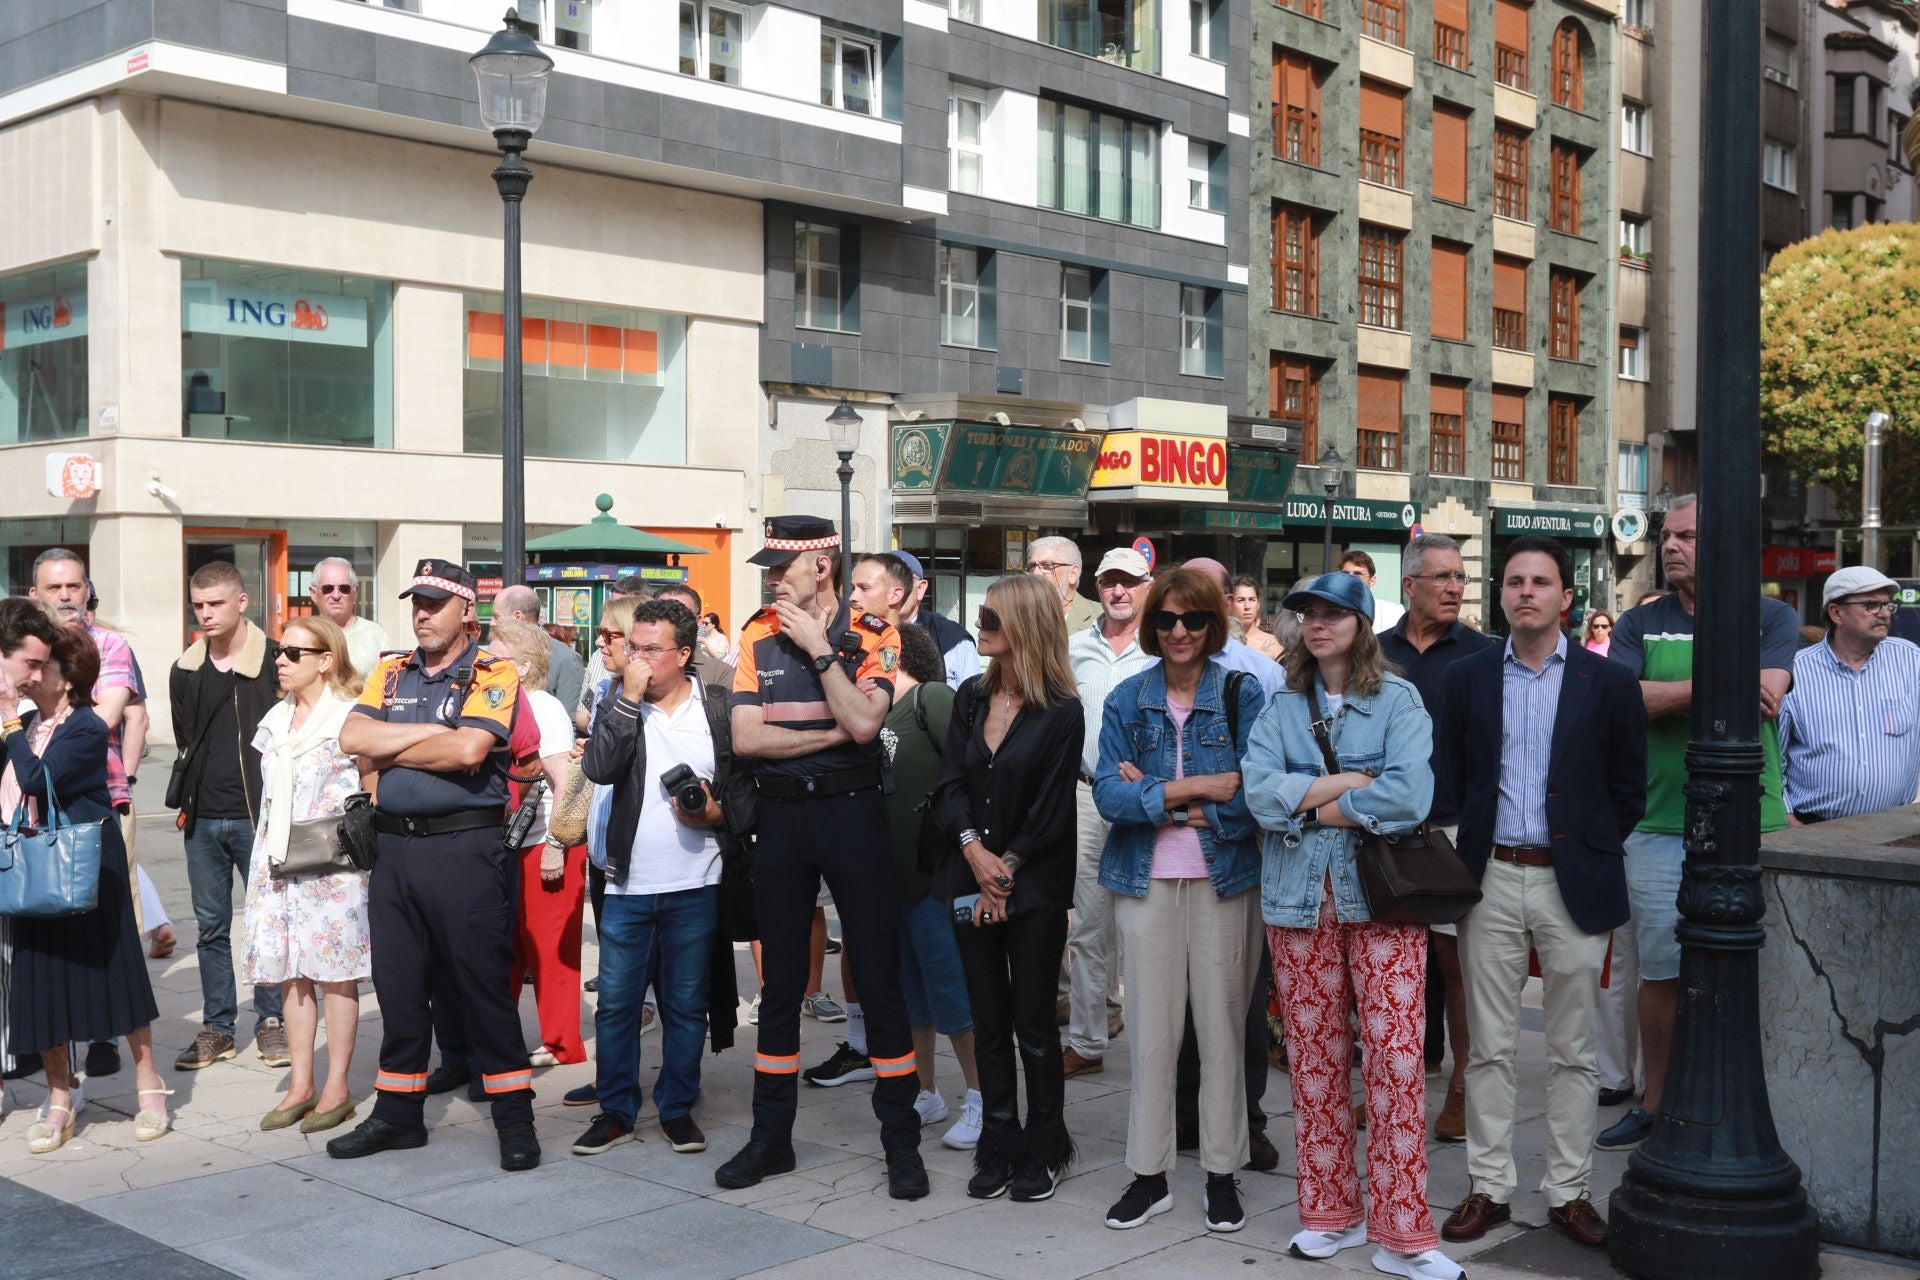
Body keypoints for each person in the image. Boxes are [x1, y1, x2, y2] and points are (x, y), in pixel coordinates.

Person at [1243, 571, 1462, 1280]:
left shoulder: (1398, 699)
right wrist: (1345, 786)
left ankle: (1403, 1230)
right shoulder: (1281, 704)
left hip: (1384, 901)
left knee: (1397, 1063)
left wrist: (1306, 803)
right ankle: (1328, 1213)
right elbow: (1258, 795)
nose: (1319, 623)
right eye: (1308, 611)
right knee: (1313, 1064)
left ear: (1363, 622)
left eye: (1335, 612)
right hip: (1299, 902)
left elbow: (1410, 796)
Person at [1437, 538, 1648, 1251]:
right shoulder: (1467, 679)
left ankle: (1569, 1191)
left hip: (1574, 882)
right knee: (1489, 1048)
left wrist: (1583, 848)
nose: (1526, 592)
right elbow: (1456, 779)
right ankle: (1489, 1187)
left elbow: (1627, 791)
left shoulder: (1609, 682)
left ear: (1566, 597)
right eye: (1515, 581)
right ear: (1501, 595)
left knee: (1574, 1049)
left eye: (1541, 582)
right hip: (1490, 876)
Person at [717, 516, 928, 1200]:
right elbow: (747, 739)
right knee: (780, 986)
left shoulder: (875, 635)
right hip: (780, 817)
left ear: (821, 567)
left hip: (852, 814)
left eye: (783, 567)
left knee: (876, 974)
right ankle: (770, 1139)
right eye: (770, 567)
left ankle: (902, 1143)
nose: (773, 579)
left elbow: (871, 725)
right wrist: (838, 730)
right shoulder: (754, 633)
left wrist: (820, 654)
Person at [1599, 494, 1799, 1151]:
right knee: (1660, 973)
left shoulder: (1769, 615)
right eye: (1667, 535)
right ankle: (1655, 1104)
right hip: (1657, 823)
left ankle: (1763, 1103)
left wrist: (1674, 695)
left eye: (1686, 535)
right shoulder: (1640, 623)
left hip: (1754, 820)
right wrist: (1718, 685)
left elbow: (1766, 698)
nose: (1670, 546)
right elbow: (1625, 701)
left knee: (1759, 971)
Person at [329, 559, 540, 1172]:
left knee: (482, 988)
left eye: (435, 603)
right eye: (415, 602)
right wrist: (433, 739)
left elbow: (472, 748)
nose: (421, 613)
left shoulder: (493, 671)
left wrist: (396, 745)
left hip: (464, 849)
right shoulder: (392, 671)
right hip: (394, 850)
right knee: (398, 989)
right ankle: (398, 1117)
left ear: (466, 611)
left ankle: (514, 1118)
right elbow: (352, 738)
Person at [1095, 568, 1266, 1234]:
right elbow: (1109, 794)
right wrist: (1191, 792)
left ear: (1212, 624)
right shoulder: (1128, 698)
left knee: (1223, 1034)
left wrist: (1164, 795)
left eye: (1192, 619)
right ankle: (1149, 1173)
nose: (1178, 632)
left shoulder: (1239, 693)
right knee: (1151, 1036)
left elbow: (1254, 793)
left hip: (1224, 881)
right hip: (1145, 881)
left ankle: (1222, 1175)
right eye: (1165, 620)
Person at [931, 573, 1085, 1202]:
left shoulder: (1062, 712)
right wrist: (974, 851)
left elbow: (1051, 811)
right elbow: (948, 786)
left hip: (1035, 886)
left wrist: (1005, 870)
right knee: (987, 1020)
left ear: (1025, 625)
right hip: (970, 877)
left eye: (992, 616)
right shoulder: (970, 697)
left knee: (1034, 1026)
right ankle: (998, 1139)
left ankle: (1045, 1146)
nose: (980, 624)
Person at [572, 598, 744, 1158]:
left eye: (651, 649)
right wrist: (625, 696)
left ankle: (676, 1106)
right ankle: (616, 1110)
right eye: (632, 647)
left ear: (684, 654)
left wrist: (717, 816)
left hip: (697, 882)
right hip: (626, 884)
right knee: (618, 1005)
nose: (636, 658)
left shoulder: (717, 707)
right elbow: (599, 767)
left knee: (686, 1003)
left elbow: (745, 790)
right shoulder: (617, 702)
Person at [1, 610, 168, 1151]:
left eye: (43, 667)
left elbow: (35, 777)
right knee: (41, 978)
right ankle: (58, 1098)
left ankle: (148, 1084)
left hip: (90, 861)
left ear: (68, 677)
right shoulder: (31, 726)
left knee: (113, 970)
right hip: (38, 862)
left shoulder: (89, 726)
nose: (32, 676)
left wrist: (6, 722)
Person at [1376, 533, 1498, 1141]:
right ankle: (1386, 1088)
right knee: (1385, 962)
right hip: (1381, 828)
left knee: (1455, 962)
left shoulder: (1483, 653)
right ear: (1410, 585)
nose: (1454, 588)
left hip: (1454, 826)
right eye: (1442, 577)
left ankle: (1462, 1087)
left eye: (1460, 578)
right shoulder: (1374, 653)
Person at [243, 614, 371, 1135]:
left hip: (332, 862)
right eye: (281, 651)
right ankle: (301, 1084)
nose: (282, 660)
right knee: (292, 970)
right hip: (277, 859)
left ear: (326, 659)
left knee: (335, 974)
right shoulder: (275, 719)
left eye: (295, 653)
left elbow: (370, 787)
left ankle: (337, 1086)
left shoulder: (350, 717)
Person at [167, 561, 289, 1071]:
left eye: (216, 603)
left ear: (243, 602)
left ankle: (271, 1022)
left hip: (257, 817)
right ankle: (218, 1027)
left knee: (265, 923)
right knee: (211, 929)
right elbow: (183, 742)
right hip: (202, 819)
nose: (206, 614)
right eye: (198, 605)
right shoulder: (185, 669)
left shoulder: (275, 662)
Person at [30, 551, 147, 1080]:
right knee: (42, 934)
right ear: (35, 595)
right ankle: (46, 1041)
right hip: (33, 812)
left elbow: (103, 718)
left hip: (99, 802)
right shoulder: (25, 653)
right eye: (54, 587)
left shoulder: (110, 644)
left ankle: (105, 1036)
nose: (65, 596)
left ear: (86, 588)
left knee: (108, 932)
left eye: (74, 585)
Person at [868, 623, 984, 1147]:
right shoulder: (875, 709)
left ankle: (982, 1097)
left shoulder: (931, 697)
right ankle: (928, 1091)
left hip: (936, 879)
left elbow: (967, 770)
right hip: (891, 881)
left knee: (953, 991)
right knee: (911, 994)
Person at [1061, 547, 1156, 1080]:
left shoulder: (1164, 650)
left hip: (1147, 800)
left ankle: (1152, 1043)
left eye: (1129, 583)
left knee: (1146, 927)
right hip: (1086, 796)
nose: (1119, 592)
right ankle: (1087, 1042)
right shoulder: (1073, 648)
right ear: (1095, 587)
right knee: (1090, 925)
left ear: (1147, 585)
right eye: (1109, 583)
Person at [485, 618, 588, 1068]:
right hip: (513, 846)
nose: (484, 664)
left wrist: (556, 845)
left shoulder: (542, 706)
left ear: (524, 667)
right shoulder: (501, 702)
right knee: (511, 947)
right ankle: (501, 1037)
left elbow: (564, 782)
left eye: (495, 657)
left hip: (543, 842)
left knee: (550, 952)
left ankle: (563, 1045)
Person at [1778, 566, 1920, 824]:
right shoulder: (1795, 670)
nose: (1884, 613)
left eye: (1887, 605)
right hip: (1813, 829)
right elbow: (1774, 757)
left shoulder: (1910, 659)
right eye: (1870, 605)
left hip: (1892, 829)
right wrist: (1788, 819)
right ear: (1836, 613)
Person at [1180, 560, 1287, 698]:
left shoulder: (1267, 671)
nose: (1247, 606)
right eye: (1241, 600)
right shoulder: (1152, 675)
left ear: (1227, 602)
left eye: (1207, 596)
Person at [891, 550, 981, 688]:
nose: (895, 591)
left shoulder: (951, 637)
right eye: (885, 583)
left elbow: (971, 699)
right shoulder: (862, 632)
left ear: (921, 589)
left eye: (904, 580)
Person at [493, 585, 586, 717]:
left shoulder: (564, 658)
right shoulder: (495, 651)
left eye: (496, 616)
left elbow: (569, 720)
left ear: (517, 617)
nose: (492, 623)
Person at [577, 575, 649, 734]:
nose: (599, 642)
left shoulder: (656, 696)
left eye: (607, 634)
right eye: (599, 632)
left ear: (633, 638)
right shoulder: (608, 688)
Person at [309, 557, 390, 678]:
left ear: (355, 593)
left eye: (344, 588)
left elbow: (391, 682)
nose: (336, 595)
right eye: (328, 588)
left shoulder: (375, 634)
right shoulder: (302, 635)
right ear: (314, 593)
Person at [655, 584, 732, 689]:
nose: (672, 622)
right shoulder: (636, 667)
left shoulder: (720, 673)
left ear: (698, 621)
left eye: (682, 615)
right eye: (663, 615)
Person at [1027, 536, 1103, 635]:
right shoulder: (1019, 617)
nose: (1036, 573)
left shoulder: (1102, 617)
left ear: (1073, 574)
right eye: (1032, 567)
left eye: (1047, 565)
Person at [1339, 552, 1406, 630]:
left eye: (1357, 574)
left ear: (1372, 581)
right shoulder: (1328, 610)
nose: (1350, 578)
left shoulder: (1393, 612)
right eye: (1345, 574)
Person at [1231, 576, 1284, 661]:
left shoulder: (1275, 644)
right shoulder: (1221, 642)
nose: (1247, 606)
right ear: (1230, 603)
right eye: (1241, 600)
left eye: (1252, 600)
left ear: (1258, 603)